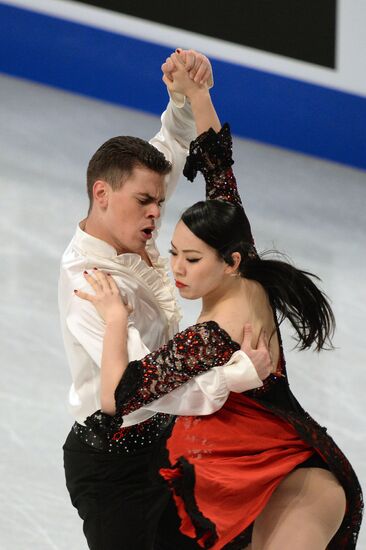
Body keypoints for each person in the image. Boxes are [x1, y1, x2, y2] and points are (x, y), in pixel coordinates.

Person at [76, 55, 363, 549]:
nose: (177, 269)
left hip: (292, 487)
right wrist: (197, 94)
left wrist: (117, 316)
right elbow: (218, 169)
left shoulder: (211, 337)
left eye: (191, 259)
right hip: (253, 481)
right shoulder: (243, 265)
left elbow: (120, 395)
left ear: (228, 261)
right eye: (173, 253)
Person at [60, 49, 273, 550]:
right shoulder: (91, 285)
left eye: (159, 202)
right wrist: (235, 376)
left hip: (165, 441)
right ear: (102, 194)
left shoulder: (131, 228)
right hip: (111, 459)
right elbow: (139, 385)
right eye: (145, 202)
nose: (158, 213)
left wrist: (182, 93)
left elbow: (172, 147)